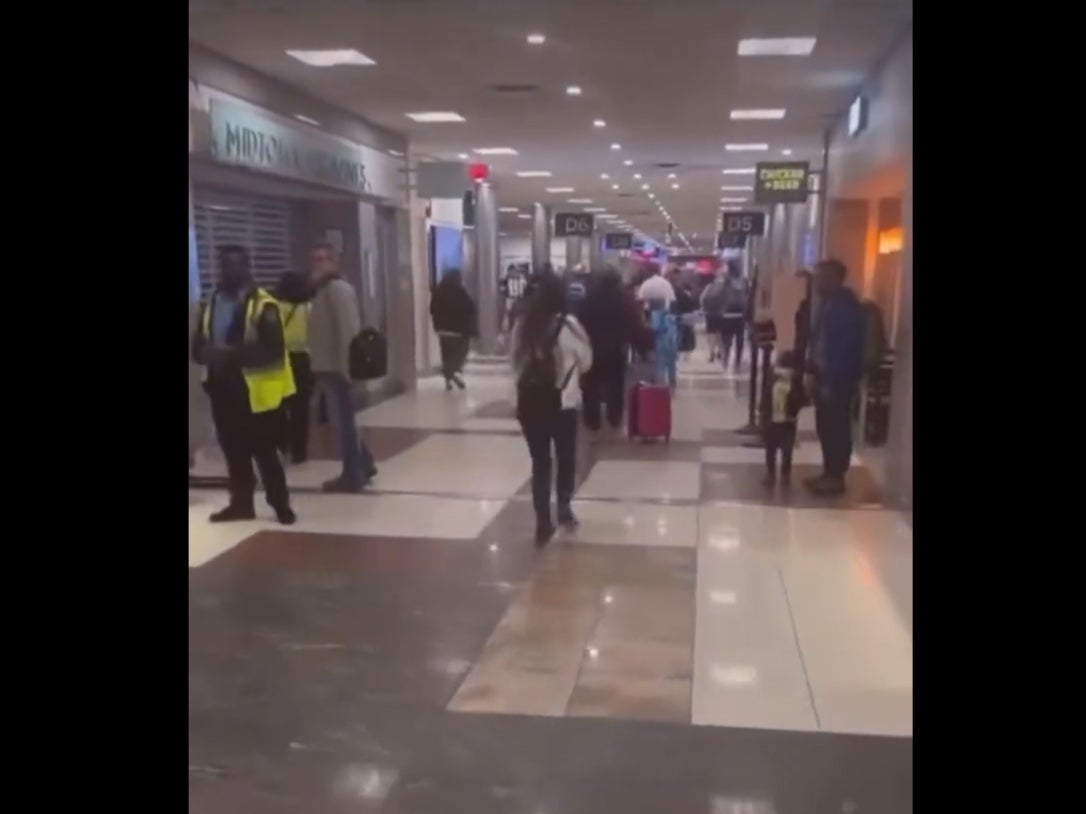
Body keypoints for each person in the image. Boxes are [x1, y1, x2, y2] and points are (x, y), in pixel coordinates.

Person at [192, 245, 296, 525]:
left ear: (247, 267)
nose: (231, 270)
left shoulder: (264, 304)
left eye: (237, 264)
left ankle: (280, 505)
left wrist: (230, 353)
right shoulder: (211, 302)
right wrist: (204, 352)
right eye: (226, 265)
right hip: (221, 388)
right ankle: (241, 504)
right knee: (233, 450)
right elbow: (198, 344)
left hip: (255, 391)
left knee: (264, 453)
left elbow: (272, 349)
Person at [512, 273, 593, 547]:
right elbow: (586, 362)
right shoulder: (570, 326)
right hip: (563, 403)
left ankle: (542, 521)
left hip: (530, 402)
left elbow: (514, 362)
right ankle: (564, 509)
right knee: (565, 458)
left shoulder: (523, 325)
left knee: (540, 462)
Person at [307, 242, 378, 493]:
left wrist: (350, 373)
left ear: (335, 263)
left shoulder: (337, 289)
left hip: (339, 370)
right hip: (327, 368)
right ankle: (364, 463)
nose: (319, 263)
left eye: (325, 259)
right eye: (315, 258)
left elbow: (348, 332)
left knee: (343, 423)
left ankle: (352, 474)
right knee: (343, 422)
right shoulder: (321, 290)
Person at [807, 258, 866, 496]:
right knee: (825, 426)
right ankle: (828, 472)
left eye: (820, 276)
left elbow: (843, 348)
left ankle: (836, 476)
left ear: (834, 278)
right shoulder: (829, 303)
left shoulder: (845, 307)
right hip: (825, 375)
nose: (816, 281)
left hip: (838, 378)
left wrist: (832, 380)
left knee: (836, 427)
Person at [579, 267, 637, 434]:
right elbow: (630, 323)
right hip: (615, 349)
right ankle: (614, 416)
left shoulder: (588, 299)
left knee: (590, 385)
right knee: (615, 385)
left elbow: (580, 321)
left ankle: (592, 420)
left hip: (592, 348)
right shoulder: (622, 300)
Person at [275, 270, 313, 464]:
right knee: (301, 408)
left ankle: (282, 445)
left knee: (280, 406)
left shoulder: (276, 308)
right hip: (302, 360)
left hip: (281, 360)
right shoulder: (308, 308)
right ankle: (300, 451)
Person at [430, 269, 477, 390]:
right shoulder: (460, 292)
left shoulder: (438, 292)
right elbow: (470, 308)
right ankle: (455, 372)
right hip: (459, 331)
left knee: (446, 354)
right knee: (460, 353)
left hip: (443, 330)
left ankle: (448, 380)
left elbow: (432, 309)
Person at [763, 350, 803, 488]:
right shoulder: (795, 381)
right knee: (787, 449)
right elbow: (799, 400)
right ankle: (785, 472)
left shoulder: (771, 378)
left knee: (771, 448)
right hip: (788, 421)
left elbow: (765, 399)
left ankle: (771, 472)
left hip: (772, 420)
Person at [718, 261, 750, 370]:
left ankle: (725, 359)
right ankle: (737, 361)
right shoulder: (744, 281)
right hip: (740, 313)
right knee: (739, 339)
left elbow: (721, 294)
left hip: (728, 312)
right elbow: (747, 295)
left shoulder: (726, 281)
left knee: (727, 339)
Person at [648, 300, 680, 392]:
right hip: (671, 342)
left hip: (660, 341)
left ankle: (660, 386)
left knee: (660, 364)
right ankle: (672, 383)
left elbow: (655, 329)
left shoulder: (655, 315)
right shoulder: (670, 316)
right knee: (671, 364)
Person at [700, 272, 728, 362]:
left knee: (711, 334)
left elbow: (702, 298)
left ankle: (711, 352)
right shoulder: (726, 287)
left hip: (709, 313)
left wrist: (704, 309)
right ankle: (722, 354)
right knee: (719, 335)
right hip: (720, 313)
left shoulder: (709, 286)